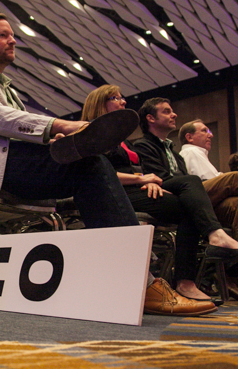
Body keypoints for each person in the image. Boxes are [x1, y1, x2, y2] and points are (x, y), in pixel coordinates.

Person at [0, 13, 207, 316]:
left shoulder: (6, 87)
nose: (13, 40)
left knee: (89, 164)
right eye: (3, 35)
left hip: (6, 167)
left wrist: (52, 141)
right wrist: (60, 125)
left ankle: (129, 280)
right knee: (89, 166)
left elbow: (11, 131)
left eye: (12, 35)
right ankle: (138, 282)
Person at [82, 85, 233, 311]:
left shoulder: (122, 138)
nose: (123, 102)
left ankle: (187, 280)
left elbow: (139, 171)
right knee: (191, 191)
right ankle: (192, 272)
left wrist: (147, 181)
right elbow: (98, 172)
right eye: (115, 98)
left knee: (190, 204)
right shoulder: (92, 132)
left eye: (122, 97)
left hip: (135, 189)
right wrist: (141, 179)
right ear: (99, 103)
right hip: (113, 192)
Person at [133, 98, 238, 261]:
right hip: (171, 195)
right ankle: (216, 237)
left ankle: (232, 266)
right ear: (151, 118)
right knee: (233, 177)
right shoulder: (142, 146)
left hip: (190, 194)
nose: (174, 114)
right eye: (166, 111)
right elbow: (157, 178)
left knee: (235, 204)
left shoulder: (176, 155)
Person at [178, 119, 238, 237]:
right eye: (204, 131)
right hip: (197, 196)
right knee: (235, 176)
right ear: (189, 137)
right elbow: (208, 180)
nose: (211, 135)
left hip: (206, 198)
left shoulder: (197, 153)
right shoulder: (191, 151)